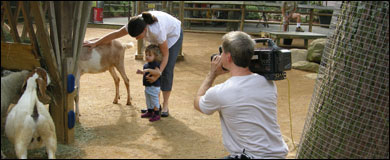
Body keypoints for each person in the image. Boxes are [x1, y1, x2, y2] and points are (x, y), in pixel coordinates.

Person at [194, 31, 289, 159]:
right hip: (277, 155)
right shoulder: (268, 83)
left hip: (252, 156)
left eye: (222, 52)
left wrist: (212, 74)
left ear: (228, 58)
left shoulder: (221, 92)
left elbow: (198, 103)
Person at [83, 11, 183, 117]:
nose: (135, 38)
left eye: (137, 35)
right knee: (153, 64)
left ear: (144, 30)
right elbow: (115, 34)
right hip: (156, 34)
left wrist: (159, 72)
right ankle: (155, 106)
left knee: (166, 69)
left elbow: (166, 55)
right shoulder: (135, 23)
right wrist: (96, 42)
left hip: (173, 34)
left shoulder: (158, 31)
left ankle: (165, 105)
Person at [136, 44, 162, 122]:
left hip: (154, 86)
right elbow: (146, 73)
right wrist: (142, 72)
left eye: (150, 55)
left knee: (154, 100)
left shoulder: (155, 64)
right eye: (146, 54)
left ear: (155, 56)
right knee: (148, 100)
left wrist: (148, 70)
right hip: (147, 86)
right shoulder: (146, 65)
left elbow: (157, 72)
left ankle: (156, 113)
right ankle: (150, 111)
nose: (147, 56)